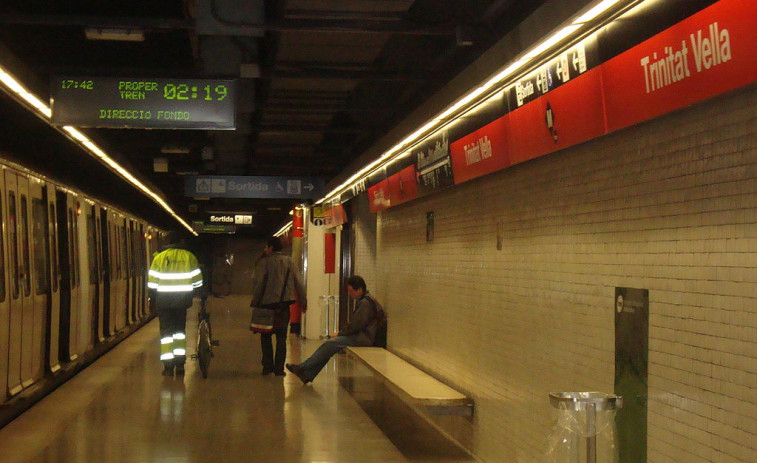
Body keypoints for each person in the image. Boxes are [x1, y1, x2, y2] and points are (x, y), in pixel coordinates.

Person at [286, 275, 384, 384]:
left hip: (363, 337)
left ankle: (303, 368)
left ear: (360, 289)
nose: (350, 294)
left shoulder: (365, 303)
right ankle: (307, 373)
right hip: (363, 335)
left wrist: (339, 333)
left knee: (330, 344)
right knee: (330, 346)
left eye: (351, 291)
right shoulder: (366, 300)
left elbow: (356, 325)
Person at [147, 232, 203, 376]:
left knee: (166, 333)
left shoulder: (159, 258)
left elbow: (152, 283)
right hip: (182, 301)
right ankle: (180, 365)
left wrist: (152, 298)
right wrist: (196, 292)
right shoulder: (189, 256)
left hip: (163, 302)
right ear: (181, 241)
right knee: (180, 331)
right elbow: (198, 281)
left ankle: (167, 366)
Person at [250, 237, 306, 376]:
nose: (265, 250)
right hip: (283, 306)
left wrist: (255, 302)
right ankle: (279, 369)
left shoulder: (264, 262)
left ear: (271, 248)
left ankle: (267, 367)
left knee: (265, 337)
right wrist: (303, 302)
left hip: (266, 306)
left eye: (266, 247)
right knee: (281, 338)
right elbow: (299, 283)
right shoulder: (289, 261)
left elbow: (258, 284)